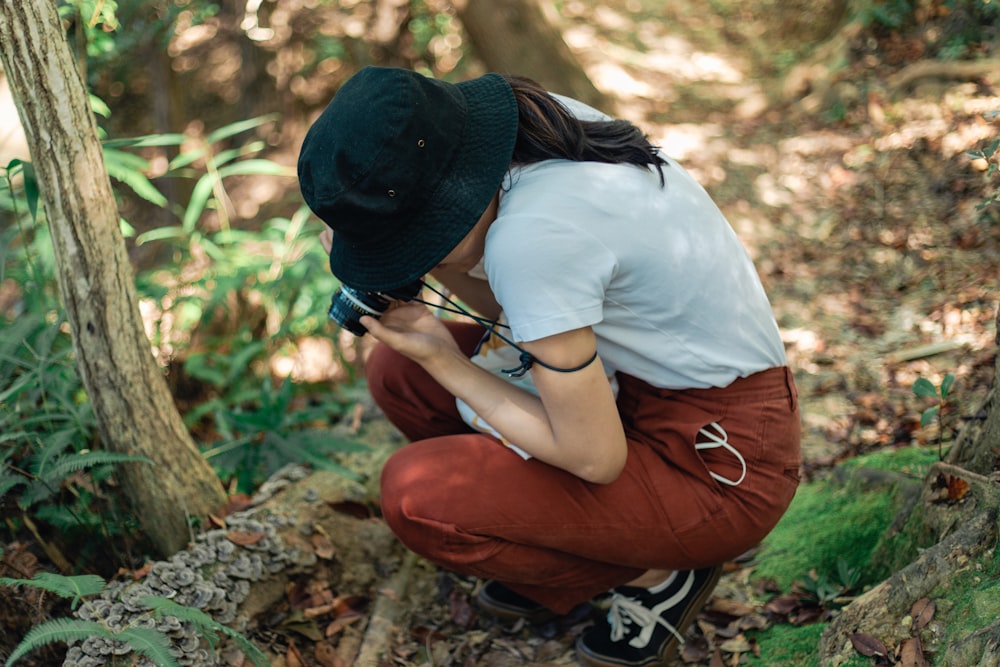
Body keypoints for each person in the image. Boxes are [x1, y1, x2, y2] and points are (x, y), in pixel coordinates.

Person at [297, 66, 801, 667]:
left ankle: (655, 575)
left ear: (453, 197)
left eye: (411, 240)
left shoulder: (533, 237)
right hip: (631, 384)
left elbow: (595, 456)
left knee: (415, 495)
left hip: (719, 462)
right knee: (397, 376)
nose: (408, 258)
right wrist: (407, 266)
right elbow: (517, 310)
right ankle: (565, 537)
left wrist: (440, 353)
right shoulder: (531, 126)